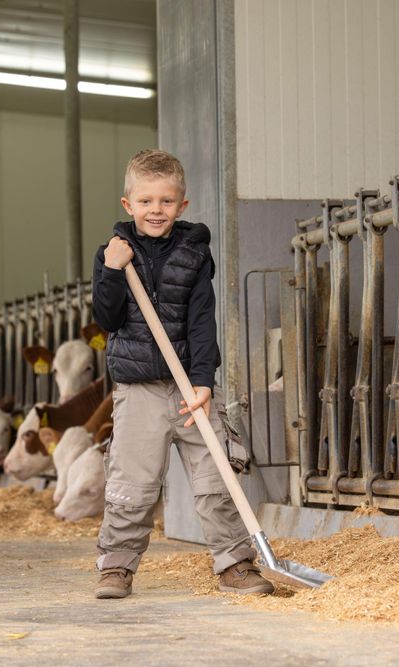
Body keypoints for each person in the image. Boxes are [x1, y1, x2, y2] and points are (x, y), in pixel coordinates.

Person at [89, 149, 274, 599]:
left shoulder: (193, 253)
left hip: (190, 387)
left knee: (216, 477)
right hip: (138, 390)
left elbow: (201, 321)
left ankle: (235, 564)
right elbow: (107, 320)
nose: (157, 210)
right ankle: (116, 567)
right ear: (127, 204)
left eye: (167, 201)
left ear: (182, 205)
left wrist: (204, 381)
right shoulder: (113, 254)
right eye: (147, 201)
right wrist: (112, 270)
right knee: (131, 484)